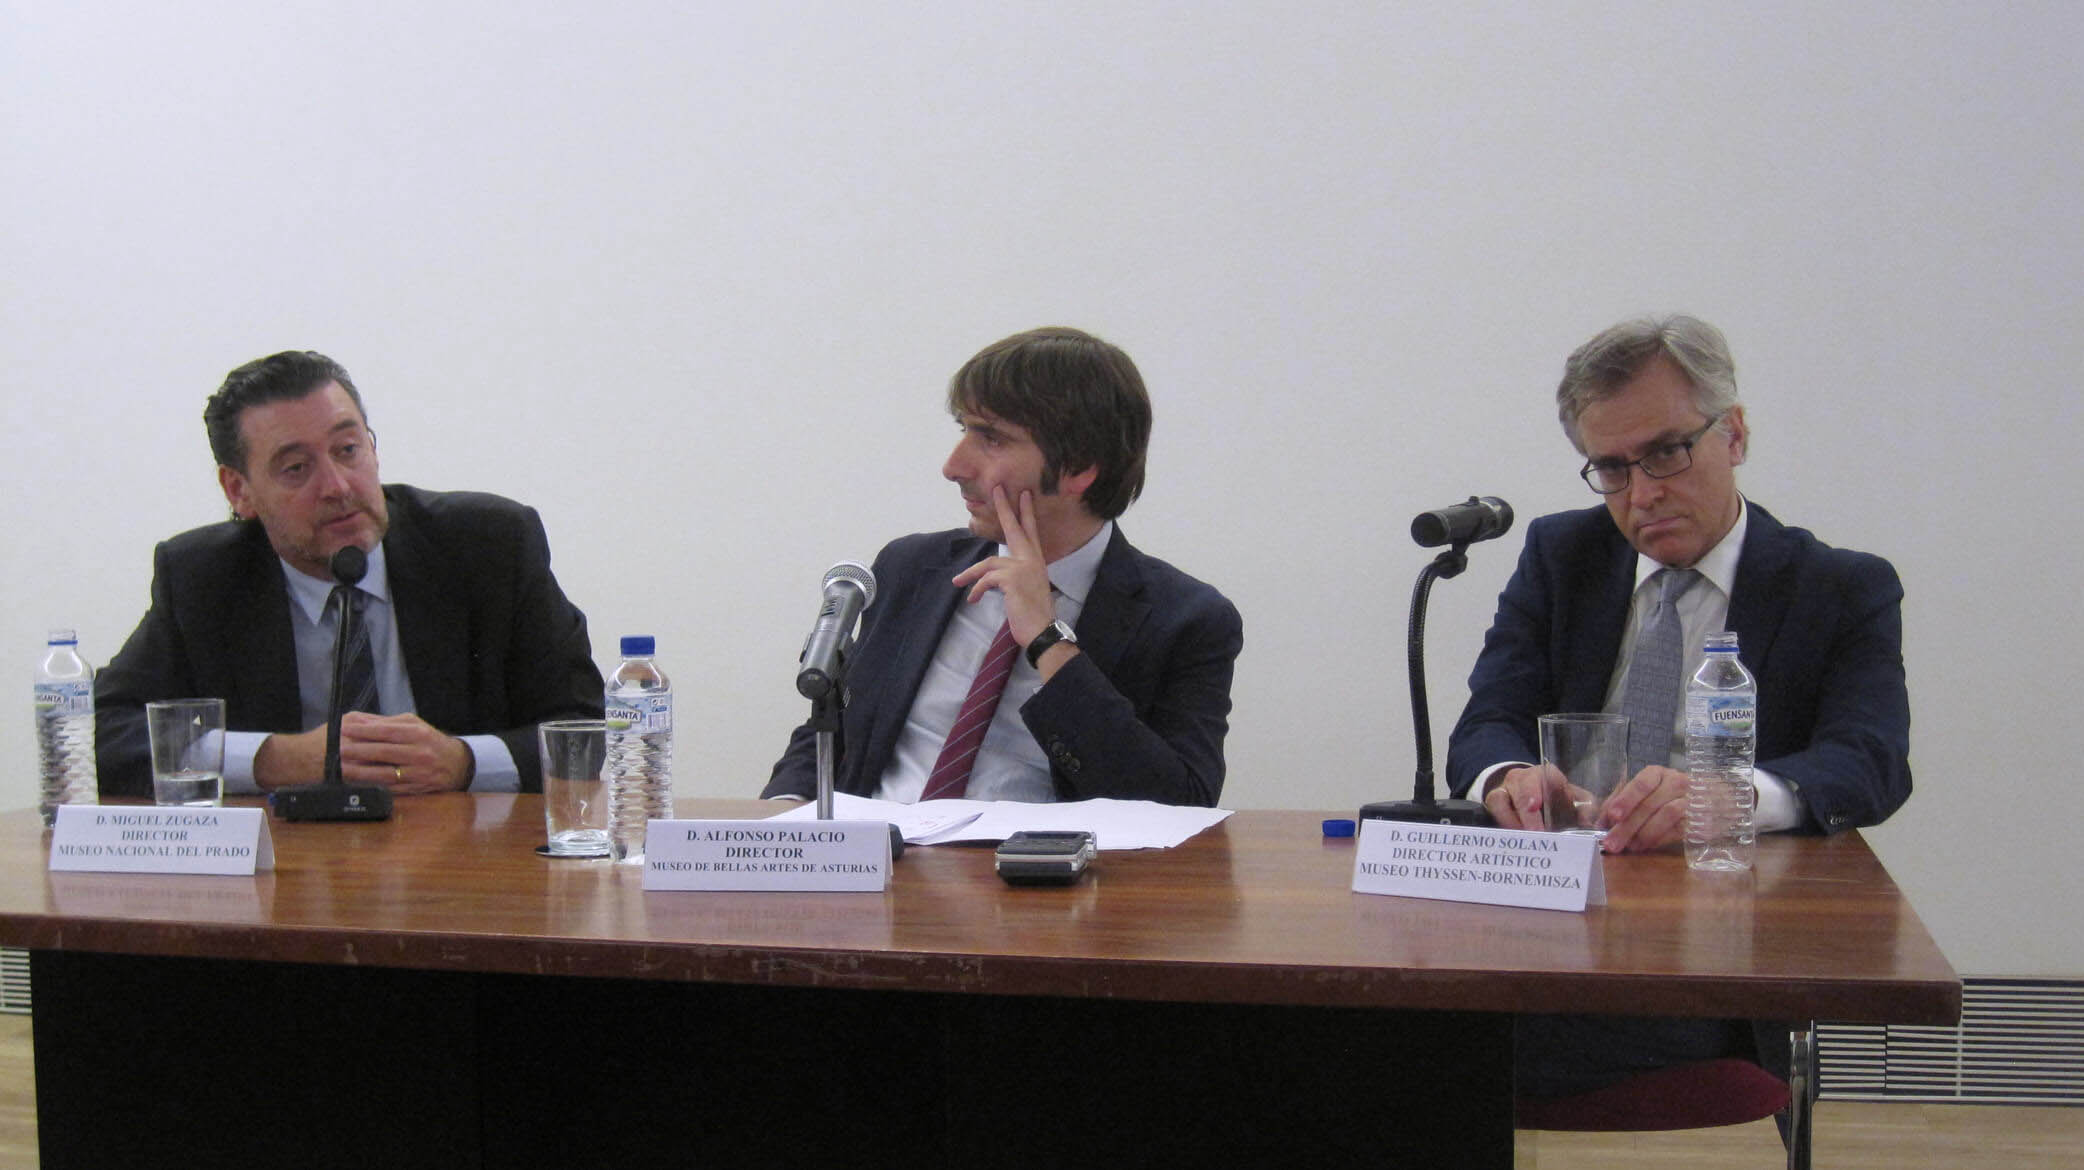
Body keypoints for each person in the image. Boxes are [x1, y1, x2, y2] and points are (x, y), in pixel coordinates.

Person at [1445, 313, 1912, 1101]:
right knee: (1383, 1028)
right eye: (1612, 468)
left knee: (1444, 1058)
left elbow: (1870, 762)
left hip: (1720, 946)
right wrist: (1509, 778)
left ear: (1735, 434)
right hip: (1547, 921)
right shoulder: (1561, 556)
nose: (1644, 493)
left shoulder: (1838, 587)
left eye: (1666, 452)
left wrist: (1726, 799)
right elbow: (1488, 722)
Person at [762, 326, 1242, 806]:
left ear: (1079, 468)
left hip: (1035, 853)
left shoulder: (1187, 619)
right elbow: (832, 731)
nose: (953, 467)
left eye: (991, 438)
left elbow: (1180, 805)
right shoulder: (911, 568)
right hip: (884, 843)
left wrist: (1048, 640)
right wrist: (785, 819)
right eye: (964, 430)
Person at [96, 350, 603, 797]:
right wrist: (272, 759)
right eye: (296, 468)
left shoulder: (489, 544)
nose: (337, 486)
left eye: (347, 450)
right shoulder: (202, 577)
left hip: (468, 857)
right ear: (238, 491)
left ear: (373, 448)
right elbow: (99, 732)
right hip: (292, 864)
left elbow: (588, 727)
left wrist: (464, 762)